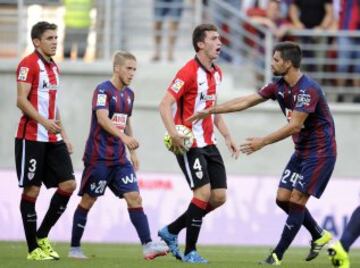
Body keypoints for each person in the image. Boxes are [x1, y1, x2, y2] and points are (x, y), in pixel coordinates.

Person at [188, 41, 336, 265]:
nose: (272, 63)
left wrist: (262, 141)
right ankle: (318, 234)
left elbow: (294, 126)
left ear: (288, 63)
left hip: (320, 152)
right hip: (302, 151)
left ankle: (276, 255)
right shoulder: (278, 86)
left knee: (296, 200)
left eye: (276, 59)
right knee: (282, 199)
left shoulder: (308, 90)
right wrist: (212, 110)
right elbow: (247, 100)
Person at [68, 51, 169, 260]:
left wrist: (133, 152)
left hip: (120, 159)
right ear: (117, 68)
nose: (132, 73)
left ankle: (148, 245)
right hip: (99, 157)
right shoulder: (103, 90)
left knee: (135, 197)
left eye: (134, 69)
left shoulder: (129, 94)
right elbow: (102, 119)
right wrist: (124, 138)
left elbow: (126, 121)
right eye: (128, 68)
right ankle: (75, 248)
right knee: (89, 200)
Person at [158, 23, 239, 263]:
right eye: (214, 39)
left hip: (209, 142)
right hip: (189, 143)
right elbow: (164, 105)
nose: (220, 43)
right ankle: (190, 250)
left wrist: (226, 135)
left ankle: (171, 230)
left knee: (219, 196)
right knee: (202, 192)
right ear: (200, 44)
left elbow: (213, 110)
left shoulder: (217, 72)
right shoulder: (187, 72)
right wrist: (173, 134)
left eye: (220, 38)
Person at [15, 21, 77, 261]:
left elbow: (53, 104)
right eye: (50, 38)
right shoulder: (27, 65)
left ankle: (42, 236)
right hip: (31, 136)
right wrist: (43, 121)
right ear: (36, 41)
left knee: (69, 185)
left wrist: (64, 134)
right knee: (33, 189)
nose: (54, 42)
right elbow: (21, 100)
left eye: (56, 38)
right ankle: (33, 249)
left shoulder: (54, 68)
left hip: (52, 135)